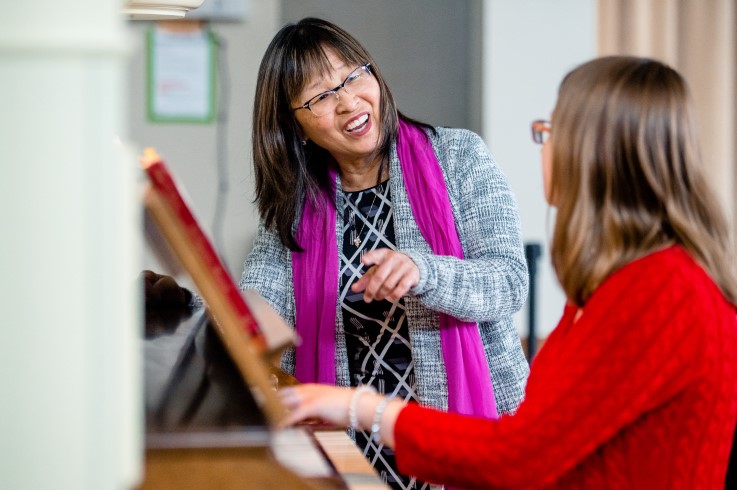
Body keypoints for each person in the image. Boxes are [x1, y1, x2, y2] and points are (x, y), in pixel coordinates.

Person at [278, 56, 737, 489]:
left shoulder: (660, 291)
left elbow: (518, 453)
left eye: (553, 130)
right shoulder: (627, 282)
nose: (547, 143)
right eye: (319, 96)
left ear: (594, 154)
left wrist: (361, 407)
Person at [234, 17, 530, 489]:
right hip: (352, 453)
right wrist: (188, 302)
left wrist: (423, 272)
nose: (349, 101)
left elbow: (508, 283)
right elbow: (255, 309)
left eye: (353, 76)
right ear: (298, 126)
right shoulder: (296, 210)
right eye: (321, 96)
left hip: (468, 436)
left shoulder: (459, 157)